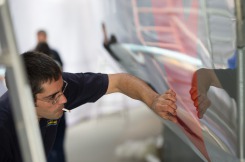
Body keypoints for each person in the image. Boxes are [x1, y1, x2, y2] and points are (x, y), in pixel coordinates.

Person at [0, 51, 178, 161]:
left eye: (62, 89)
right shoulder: (4, 128)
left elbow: (119, 81)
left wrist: (154, 101)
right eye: (53, 98)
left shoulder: (58, 87)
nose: (63, 100)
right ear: (24, 101)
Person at [34, 42, 66, 162]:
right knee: (58, 146)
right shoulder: (55, 63)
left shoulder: (40, 73)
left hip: (52, 114)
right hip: (58, 114)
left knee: (49, 148)